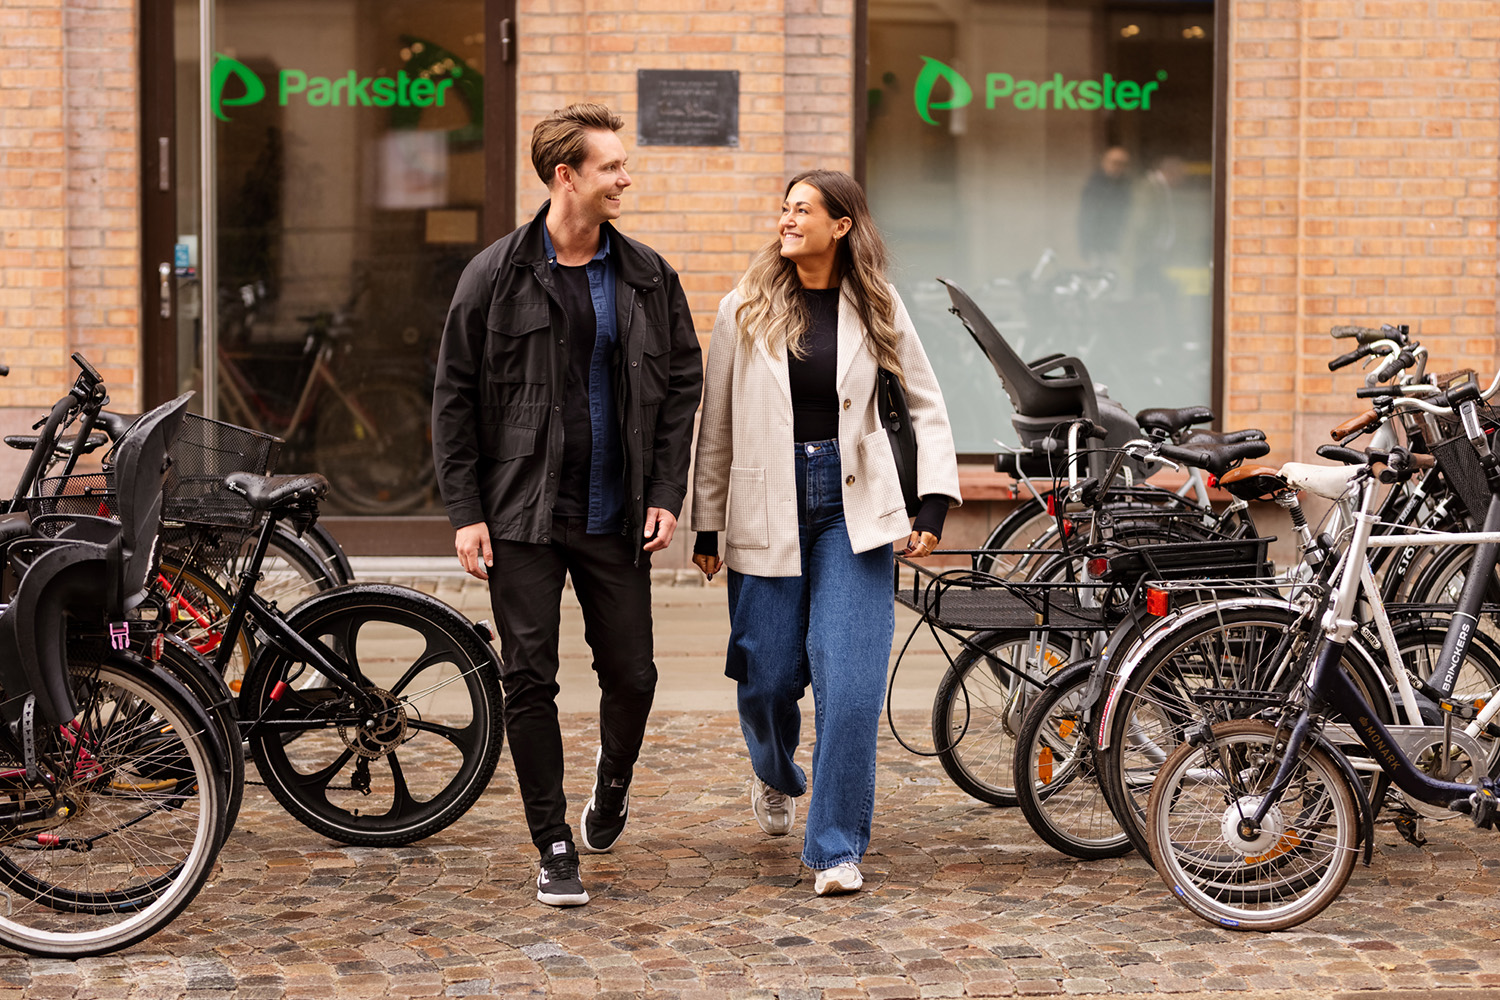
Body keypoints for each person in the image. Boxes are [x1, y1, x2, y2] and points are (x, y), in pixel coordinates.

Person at [431, 103, 702, 907]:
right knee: (529, 679)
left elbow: (682, 385)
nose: (627, 177)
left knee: (635, 672)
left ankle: (610, 785)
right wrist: (464, 510)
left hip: (615, 512)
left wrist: (663, 491)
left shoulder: (648, 275)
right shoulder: (494, 274)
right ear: (566, 177)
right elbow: (453, 396)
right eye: (612, 166)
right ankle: (552, 840)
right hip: (523, 515)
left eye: (624, 164)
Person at [689, 169, 960, 896]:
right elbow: (715, 427)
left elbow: (926, 405)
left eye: (802, 209)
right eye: (783, 207)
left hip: (855, 505)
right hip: (764, 504)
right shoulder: (742, 307)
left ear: (841, 224)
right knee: (768, 675)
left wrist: (931, 502)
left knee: (852, 684)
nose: (787, 218)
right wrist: (706, 521)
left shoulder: (875, 303)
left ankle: (835, 846)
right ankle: (775, 772)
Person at [1077, 145, 1132, 264]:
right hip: (1098, 245)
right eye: (1115, 163)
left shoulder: (1127, 185)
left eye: (1123, 164)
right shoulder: (1094, 185)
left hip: (1120, 244)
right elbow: (1086, 217)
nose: (1119, 167)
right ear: (1105, 163)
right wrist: (1086, 247)